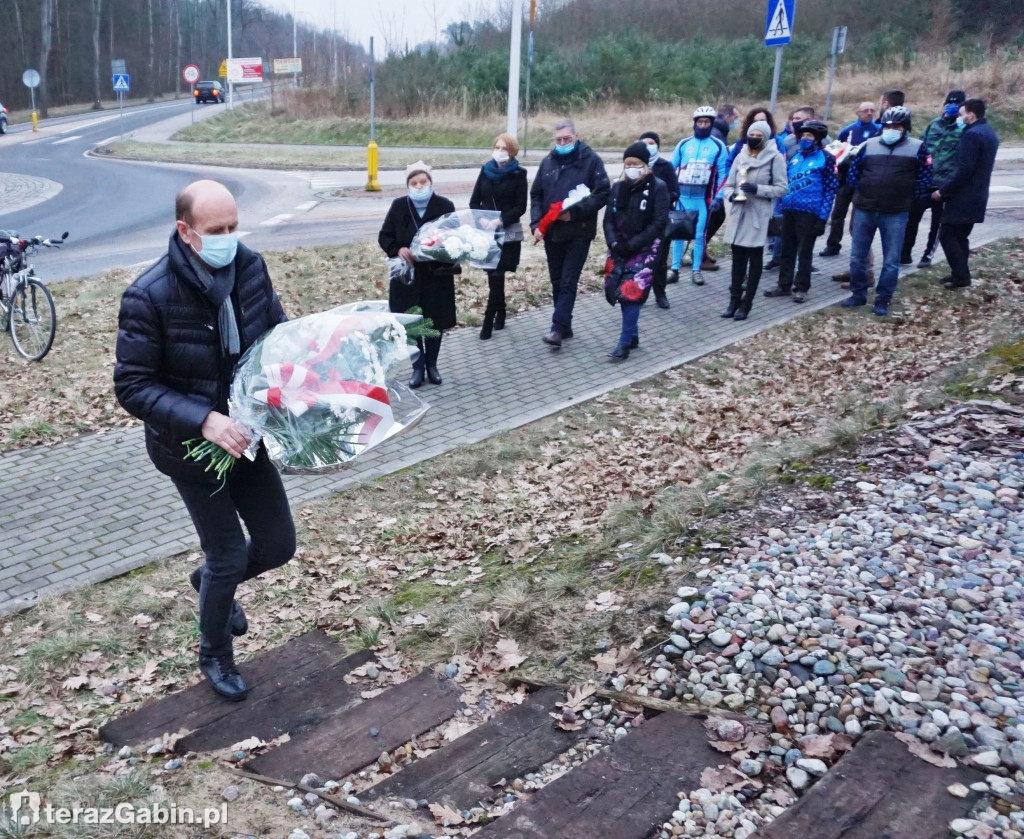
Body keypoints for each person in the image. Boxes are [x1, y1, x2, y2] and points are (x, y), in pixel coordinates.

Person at [114, 179, 295, 702]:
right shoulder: (149, 295)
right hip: (189, 448)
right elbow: (133, 385)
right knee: (228, 555)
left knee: (278, 545)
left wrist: (291, 383)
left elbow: (274, 335)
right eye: (216, 231)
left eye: (234, 227)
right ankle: (214, 652)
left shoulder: (250, 267)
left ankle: (208, 582)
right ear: (185, 232)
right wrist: (204, 420)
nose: (229, 239)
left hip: (247, 435)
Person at [840, 106, 933, 316]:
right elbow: (854, 173)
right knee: (857, 256)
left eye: (896, 126)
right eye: (887, 125)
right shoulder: (869, 145)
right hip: (865, 208)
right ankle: (858, 294)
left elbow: (925, 177)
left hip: (895, 212)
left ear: (905, 127)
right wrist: (861, 191)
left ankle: (883, 298)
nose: (891, 129)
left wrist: (907, 196)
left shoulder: (918, 148)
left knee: (891, 260)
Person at [530, 119, 610, 348]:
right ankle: (565, 325)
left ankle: (556, 328)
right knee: (556, 280)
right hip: (553, 232)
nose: (563, 143)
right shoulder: (548, 162)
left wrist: (575, 213)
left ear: (576, 137)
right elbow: (536, 194)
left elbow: (603, 192)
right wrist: (536, 223)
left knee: (568, 280)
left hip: (578, 231)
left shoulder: (590, 160)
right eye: (558, 140)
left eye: (567, 139)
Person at [379, 161, 459, 386]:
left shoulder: (445, 205)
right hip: (408, 278)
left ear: (431, 182)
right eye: (414, 183)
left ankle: (432, 365)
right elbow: (384, 236)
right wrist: (398, 249)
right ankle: (417, 366)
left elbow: (455, 238)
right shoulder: (399, 207)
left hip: (436, 276)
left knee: (434, 322)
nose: (419, 186)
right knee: (412, 322)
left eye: (423, 181)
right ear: (408, 185)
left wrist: (439, 247)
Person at [602, 142, 670, 359]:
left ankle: (623, 344)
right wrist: (613, 243)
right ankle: (633, 334)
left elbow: (659, 222)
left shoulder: (658, 187)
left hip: (644, 249)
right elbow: (608, 220)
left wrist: (633, 245)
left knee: (631, 291)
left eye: (636, 164)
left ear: (645, 165)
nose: (631, 168)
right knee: (618, 289)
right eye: (628, 164)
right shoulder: (618, 187)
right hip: (619, 247)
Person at [720, 120, 788, 320]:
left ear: (766, 138)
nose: (754, 139)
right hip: (738, 214)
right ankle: (733, 301)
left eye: (759, 136)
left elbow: (782, 188)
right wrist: (732, 195)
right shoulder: (740, 155)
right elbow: (728, 184)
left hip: (758, 215)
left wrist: (758, 189)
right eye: (752, 135)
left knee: (754, 259)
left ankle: (746, 304)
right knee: (737, 260)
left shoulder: (775, 158)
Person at [764, 120, 838, 303]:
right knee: (786, 250)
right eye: (803, 135)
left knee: (804, 252)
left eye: (809, 136)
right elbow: (784, 183)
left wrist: (823, 218)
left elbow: (830, 190)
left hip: (810, 213)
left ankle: (801, 288)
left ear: (818, 139)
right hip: (789, 210)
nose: (805, 139)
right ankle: (783, 285)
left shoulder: (826, 159)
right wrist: (779, 207)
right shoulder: (795, 157)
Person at [704, 107, 785, 269]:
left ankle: (750, 287)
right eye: (756, 121)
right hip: (740, 206)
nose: (759, 125)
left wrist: (757, 188)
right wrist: (731, 187)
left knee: (755, 250)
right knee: (738, 249)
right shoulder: (742, 145)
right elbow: (729, 166)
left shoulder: (776, 147)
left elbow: (781, 183)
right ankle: (737, 284)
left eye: (763, 121)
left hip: (760, 207)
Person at [934, 98, 999, 289]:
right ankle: (959, 273)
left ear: (971, 115)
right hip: (977, 194)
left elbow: (964, 169)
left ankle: (961, 276)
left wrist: (943, 191)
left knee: (947, 234)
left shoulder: (971, 135)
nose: (959, 119)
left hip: (964, 195)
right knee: (960, 235)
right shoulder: (989, 132)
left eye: (962, 115)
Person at [469, 133, 529, 339]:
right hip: (486, 232)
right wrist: (483, 219)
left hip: (508, 230)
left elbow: (521, 206)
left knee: (498, 274)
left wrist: (500, 219)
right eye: (497, 147)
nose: (500, 152)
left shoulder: (519, 174)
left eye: (504, 149)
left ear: (512, 152)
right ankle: (501, 309)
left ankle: (488, 319)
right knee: (492, 277)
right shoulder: (485, 171)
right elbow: (474, 201)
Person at [901, 90, 965, 267]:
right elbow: (920, 148)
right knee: (911, 219)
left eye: (957, 104)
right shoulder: (934, 124)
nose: (952, 106)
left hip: (944, 185)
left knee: (937, 225)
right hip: (924, 182)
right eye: (949, 103)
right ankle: (904, 254)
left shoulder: (964, 130)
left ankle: (927, 255)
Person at [669, 106, 729, 286]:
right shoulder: (684, 144)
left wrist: (719, 197)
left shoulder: (718, 146)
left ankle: (696, 270)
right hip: (682, 198)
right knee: (678, 234)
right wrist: (670, 193)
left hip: (703, 199)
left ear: (711, 124)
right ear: (695, 123)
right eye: (700, 122)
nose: (703, 125)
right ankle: (674, 269)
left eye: (706, 122)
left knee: (699, 234)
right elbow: (671, 169)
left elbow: (724, 174)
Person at [820, 102, 882, 257]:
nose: (869, 113)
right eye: (865, 110)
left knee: (858, 218)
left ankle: (859, 249)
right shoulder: (848, 130)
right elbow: (836, 151)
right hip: (845, 178)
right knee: (838, 214)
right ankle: (833, 245)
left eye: (872, 111)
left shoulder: (878, 131)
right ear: (858, 112)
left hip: (864, 180)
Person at [639, 130, 680, 309]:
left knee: (660, 261)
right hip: (640, 222)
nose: (648, 146)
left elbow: (675, 192)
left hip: (661, 221)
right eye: (644, 143)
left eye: (651, 142)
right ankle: (640, 292)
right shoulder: (636, 166)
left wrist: (659, 199)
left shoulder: (665, 166)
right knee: (642, 260)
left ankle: (660, 294)